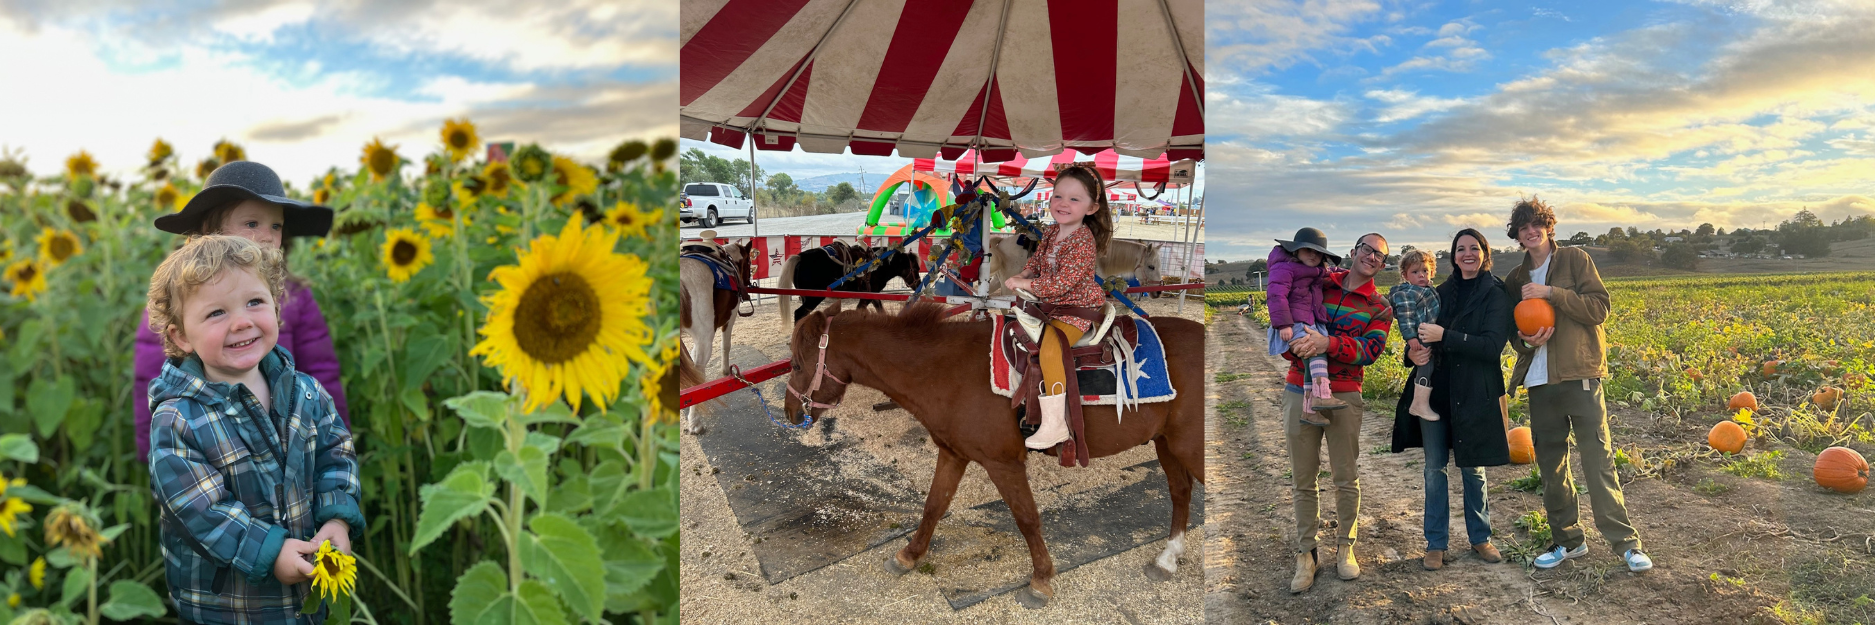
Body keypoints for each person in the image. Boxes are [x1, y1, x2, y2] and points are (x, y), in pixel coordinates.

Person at [146, 235, 365, 624]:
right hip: (231, 606)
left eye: (255, 302)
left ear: (276, 305)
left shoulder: (305, 391)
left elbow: (337, 452)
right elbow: (200, 511)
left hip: (309, 595)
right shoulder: (178, 418)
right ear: (180, 336)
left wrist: (336, 518)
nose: (242, 321)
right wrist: (268, 550)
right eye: (216, 313)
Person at [136, 160, 348, 464]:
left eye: (275, 226)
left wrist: (338, 445)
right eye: (251, 224)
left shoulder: (294, 295)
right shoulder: (180, 294)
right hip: (204, 450)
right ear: (211, 230)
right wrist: (155, 455)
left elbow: (322, 372)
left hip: (290, 445)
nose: (266, 236)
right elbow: (149, 376)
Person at [1502, 198, 1652, 573]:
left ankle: (1626, 544)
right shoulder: (1515, 279)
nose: (1531, 231)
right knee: (1551, 466)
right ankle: (1569, 541)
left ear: (1548, 226)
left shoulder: (1575, 260)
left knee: (1597, 460)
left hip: (1580, 375)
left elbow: (1599, 308)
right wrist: (1526, 342)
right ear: (1517, 235)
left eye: (1536, 224)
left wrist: (1552, 294)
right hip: (1539, 381)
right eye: (1523, 227)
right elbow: (1513, 333)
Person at [1392, 229, 1513, 572]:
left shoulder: (1496, 294)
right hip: (1437, 393)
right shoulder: (1439, 292)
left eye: (1474, 248)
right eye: (1460, 249)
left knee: (1473, 468)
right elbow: (1418, 329)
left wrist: (1448, 336)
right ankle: (1435, 543)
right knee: (1434, 469)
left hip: (1475, 391)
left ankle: (1480, 537)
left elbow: (1491, 347)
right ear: (1453, 256)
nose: (1467, 254)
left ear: (1484, 253)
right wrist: (1410, 353)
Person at [1283, 232, 1393, 594]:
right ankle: (1307, 553)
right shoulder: (1318, 283)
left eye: (1380, 255)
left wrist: (1327, 343)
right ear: (1353, 251)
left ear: (1383, 264)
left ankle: (1346, 546)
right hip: (1300, 387)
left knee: (1345, 475)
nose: (1372, 257)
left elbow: (1370, 350)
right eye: (1367, 249)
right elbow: (1289, 314)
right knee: (1303, 477)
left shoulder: (1380, 306)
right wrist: (1296, 346)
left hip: (1345, 392)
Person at [1002, 164, 1113, 450]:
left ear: (1091, 207)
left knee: (1052, 347)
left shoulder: (1082, 241)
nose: (1064, 204)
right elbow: (1037, 261)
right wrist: (1026, 274)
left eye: (1075, 199)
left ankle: (1055, 424)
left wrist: (1026, 285)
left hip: (1075, 307)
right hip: (1051, 303)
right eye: (1058, 197)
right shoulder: (1052, 231)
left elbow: (1061, 284)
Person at [1267, 227, 1348, 425]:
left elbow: (1331, 272)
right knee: (1315, 351)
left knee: (1309, 363)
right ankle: (1322, 394)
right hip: (1294, 320)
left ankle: (1309, 410)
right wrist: (1284, 324)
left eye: (1318, 252)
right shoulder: (1284, 268)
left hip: (1311, 318)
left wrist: (1348, 273)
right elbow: (1276, 296)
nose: (1313, 255)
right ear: (1296, 251)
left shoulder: (1316, 271)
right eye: (1308, 250)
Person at [1389, 249, 1442, 420]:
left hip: (1430, 333)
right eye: (1415, 272)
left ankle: (1422, 402)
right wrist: (1410, 337)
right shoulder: (1407, 293)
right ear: (1405, 275)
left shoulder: (1427, 289)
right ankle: (1419, 403)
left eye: (1425, 271)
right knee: (1426, 365)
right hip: (1421, 335)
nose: (1421, 275)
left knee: (1430, 365)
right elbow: (1405, 317)